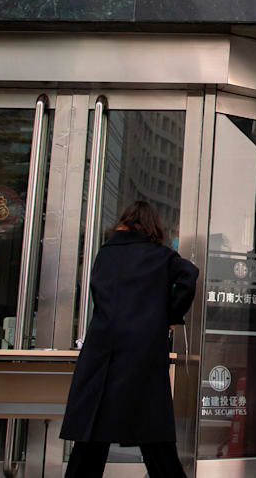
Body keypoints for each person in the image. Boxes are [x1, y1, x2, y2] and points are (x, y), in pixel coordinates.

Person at [60, 201, 199, 478]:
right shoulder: (159, 255)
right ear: (152, 225)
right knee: (153, 432)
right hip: (142, 350)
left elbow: (98, 293)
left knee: (92, 433)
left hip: (101, 350)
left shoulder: (105, 253)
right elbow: (189, 274)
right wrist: (169, 315)